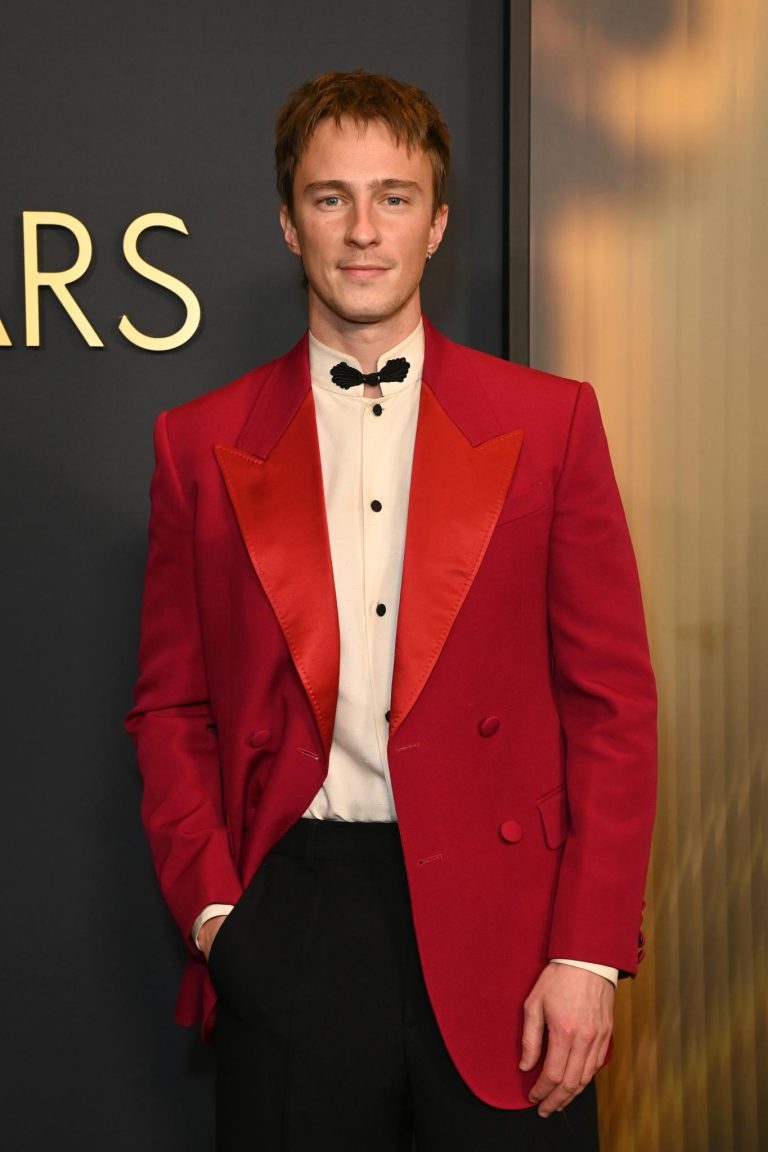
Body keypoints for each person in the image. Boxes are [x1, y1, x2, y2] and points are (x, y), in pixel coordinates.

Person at [126, 70, 656, 1151]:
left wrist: (589, 951)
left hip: (515, 936)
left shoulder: (552, 423)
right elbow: (170, 709)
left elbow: (612, 706)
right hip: (294, 918)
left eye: (394, 197)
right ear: (290, 223)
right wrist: (219, 917)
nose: (363, 230)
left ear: (437, 222)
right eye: (331, 198)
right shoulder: (197, 442)